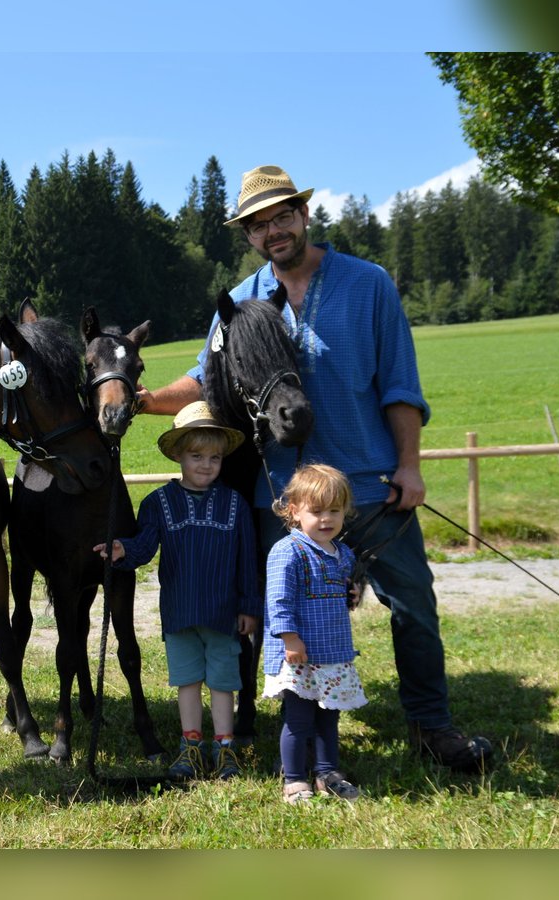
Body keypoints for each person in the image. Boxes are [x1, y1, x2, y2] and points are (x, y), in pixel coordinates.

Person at [138, 164, 492, 773]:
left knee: (412, 606)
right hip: (282, 497)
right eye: (258, 224)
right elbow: (205, 380)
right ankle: (276, 732)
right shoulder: (241, 303)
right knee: (271, 614)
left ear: (303, 214)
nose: (273, 230)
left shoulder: (368, 284)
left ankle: (432, 726)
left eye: (282, 216)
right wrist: (141, 400)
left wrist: (409, 466)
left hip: (370, 485)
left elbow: (400, 385)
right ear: (248, 235)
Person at [95, 401, 260, 781]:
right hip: (180, 612)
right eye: (196, 455)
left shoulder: (235, 504)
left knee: (222, 682)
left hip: (223, 615)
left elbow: (247, 561)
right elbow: (144, 546)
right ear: (178, 456)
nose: (206, 465)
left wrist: (249, 606)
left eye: (215, 457)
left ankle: (224, 749)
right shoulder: (157, 503)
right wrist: (122, 549)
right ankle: (191, 748)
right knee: (187, 681)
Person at [264, 464, 366, 804]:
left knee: (328, 716)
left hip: (333, 652)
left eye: (334, 511)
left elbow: (339, 588)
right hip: (301, 653)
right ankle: (294, 779)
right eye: (317, 511)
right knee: (298, 719)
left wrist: (350, 593)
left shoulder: (343, 553)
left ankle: (327, 772)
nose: (326, 519)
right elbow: (278, 599)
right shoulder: (288, 551)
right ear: (294, 512)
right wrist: (289, 639)